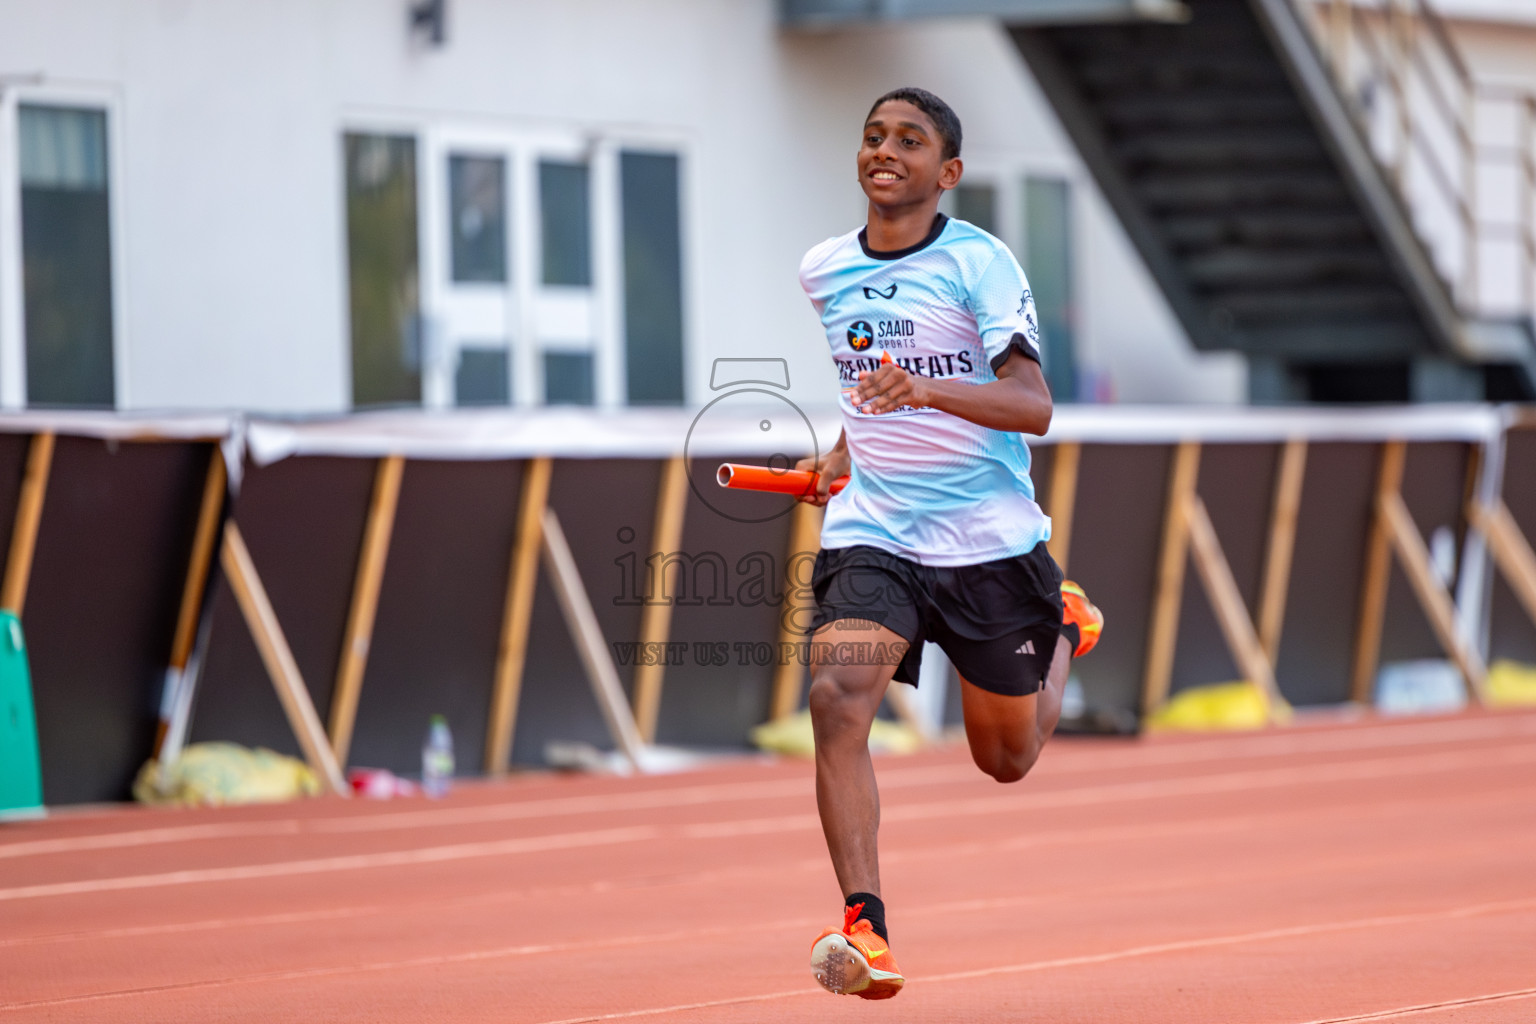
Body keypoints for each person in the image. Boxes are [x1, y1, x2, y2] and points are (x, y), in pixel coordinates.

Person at [794, 86, 1103, 1000]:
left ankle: (1064, 629)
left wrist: (925, 393)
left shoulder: (981, 263)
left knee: (1005, 759)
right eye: (873, 136)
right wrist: (843, 455)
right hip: (877, 529)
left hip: (988, 541)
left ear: (947, 172)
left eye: (910, 140)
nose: (885, 150)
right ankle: (867, 928)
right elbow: (868, 393)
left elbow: (1033, 405)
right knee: (835, 693)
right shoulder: (822, 269)